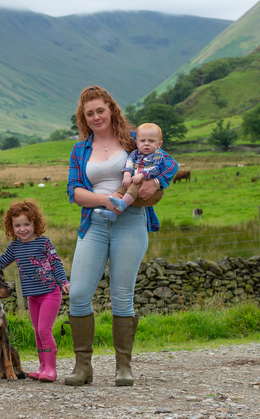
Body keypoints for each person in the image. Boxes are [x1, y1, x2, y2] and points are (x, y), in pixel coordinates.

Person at [66, 86, 178, 387]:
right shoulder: (80, 150)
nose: (95, 117)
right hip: (94, 224)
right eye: (89, 113)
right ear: (83, 117)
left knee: (121, 296)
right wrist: (105, 201)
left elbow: (167, 162)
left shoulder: (132, 139)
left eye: (100, 110)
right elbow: (74, 192)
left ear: (111, 109)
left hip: (131, 222)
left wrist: (156, 181)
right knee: (77, 295)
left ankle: (123, 368)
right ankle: (82, 367)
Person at [0, 200, 70, 382]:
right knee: (37, 331)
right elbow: (2, 261)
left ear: (35, 223)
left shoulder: (44, 243)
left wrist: (63, 281)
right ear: (11, 226)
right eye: (17, 225)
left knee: (45, 329)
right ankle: (42, 367)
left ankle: (51, 369)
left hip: (50, 292)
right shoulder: (15, 246)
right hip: (33, 296)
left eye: (27, 224)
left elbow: (56, 263)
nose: (22, 229)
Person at [94, 123, 168, 222]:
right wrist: (127, 175)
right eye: (143, 141)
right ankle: (113, 214)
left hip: (152, 193)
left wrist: (142, 175)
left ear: (159, 144)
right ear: (137, 143)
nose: (146, 144)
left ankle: (122, 204)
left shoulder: (158, 155)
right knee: (122, 189)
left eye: (151, 141)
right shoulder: (134, 154)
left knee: (136, 183)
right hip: (135, 188)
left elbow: (157, 168)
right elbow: (129, 163)